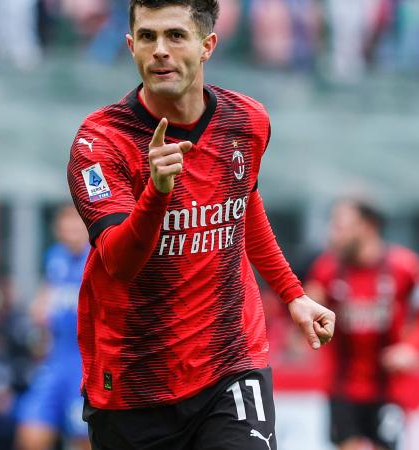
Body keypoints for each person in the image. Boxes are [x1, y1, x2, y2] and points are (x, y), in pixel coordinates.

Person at [65, 1, 336, 449]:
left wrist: (293, 294)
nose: (160, 51)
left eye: (176, 35)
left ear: (207, 45)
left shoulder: (247, 121)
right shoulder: (100, 141)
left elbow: (243, 207)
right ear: (131, 46)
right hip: (135, 384)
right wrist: (157, 192)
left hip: (230, 362)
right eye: (148, 37)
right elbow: (118, 261)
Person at [306, 199, 419, 450]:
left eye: (340, 226)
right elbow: (308, 315)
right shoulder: (325, 270)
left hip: (388, 388)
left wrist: (414, 348)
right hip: (342, 387)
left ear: (367, 227)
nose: (332, 233)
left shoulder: (405, 267)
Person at [16, 206, 90, 450]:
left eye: (75, 225)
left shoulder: (97, 256)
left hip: (85, 363)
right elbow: (42, 304)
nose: (69, 232)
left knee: (85, 437)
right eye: (64, 226)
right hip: (55, 360)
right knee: (31, 430)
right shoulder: (55, 257)